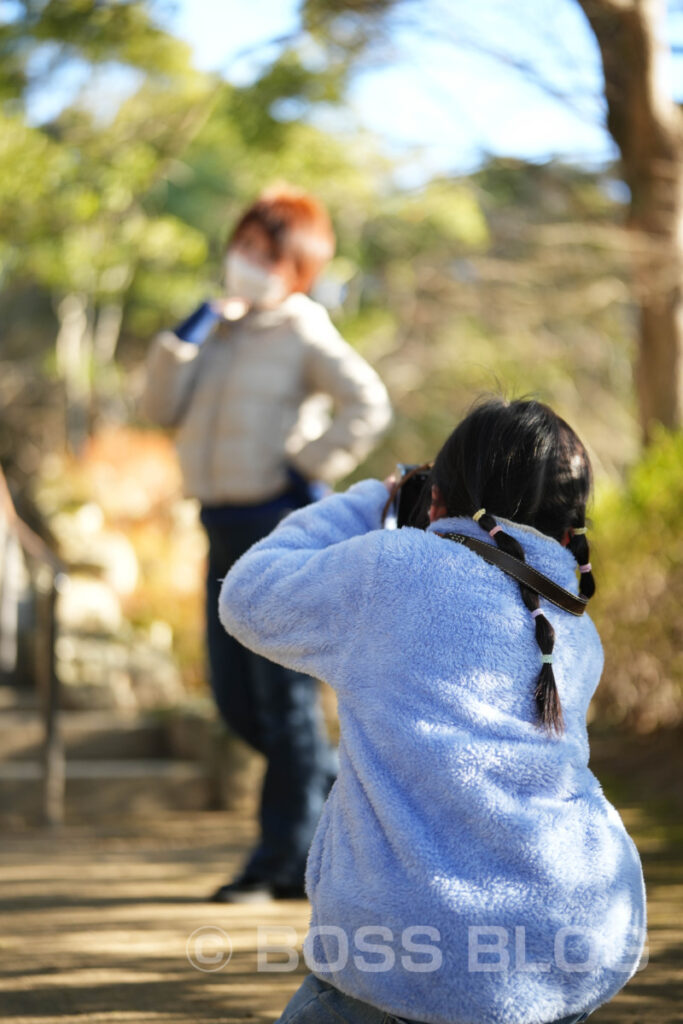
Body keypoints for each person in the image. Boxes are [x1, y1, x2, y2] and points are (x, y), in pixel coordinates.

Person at [217, 397, 646, 1024]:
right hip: (577, 932)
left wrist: (376, 499)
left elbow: (248, 593)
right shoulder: (574, 625)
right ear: (569, 523)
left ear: (439, 501)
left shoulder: (394, 571)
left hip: (415, 941)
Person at [141, 183, 393, 903]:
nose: (247, 261)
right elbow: (157, 407)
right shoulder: (216, 327)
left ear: (298, 269)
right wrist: (186, 333)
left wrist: (306, 467)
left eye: (266, 253)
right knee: (233, 699)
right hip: (218, 525)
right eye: (244, 246)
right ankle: (335, 799)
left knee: (280, 700)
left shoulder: (304, 329)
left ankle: (279, 865)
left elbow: (366, 403)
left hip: (275, 526)